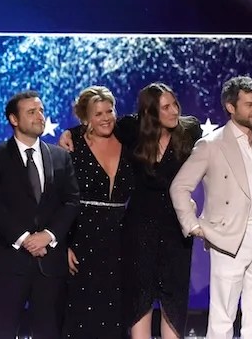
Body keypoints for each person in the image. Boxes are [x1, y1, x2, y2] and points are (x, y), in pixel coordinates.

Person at [61, 82, 201, 339]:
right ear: (150, 112)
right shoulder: (132, 130)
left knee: (174, 303)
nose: (173, 111)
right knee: (138, 300)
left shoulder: (190, 130)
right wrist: (69, 133)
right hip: (138, 231)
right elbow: (96, 124)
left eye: (175, 105)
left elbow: (212, 158)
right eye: (165, 107)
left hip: (175, 233)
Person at [169, 76, 252, 339]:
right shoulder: (211, 144)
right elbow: (179, 187)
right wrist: (194, 225)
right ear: (230, 107)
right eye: (249, 104)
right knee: (223, 315)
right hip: (229, 237)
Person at [0, 90, 80, 339]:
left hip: (50, 266)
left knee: (49, 332)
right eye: (31, 112)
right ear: (14, 119)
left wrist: (48, 235)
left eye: (41, 110)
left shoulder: (60, 157)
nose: (39, 116)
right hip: (6, 264)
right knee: (0, 331)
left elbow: (72, 201)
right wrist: (25, 239)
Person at [64, 86, 134, 339]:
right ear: (86, 118)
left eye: (109, 111)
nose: (106, 118)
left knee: (117, 311)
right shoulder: (72, 145)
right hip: (82, 238)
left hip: (121, 239)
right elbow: (58, 198)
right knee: (82, 313)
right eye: (98, 113)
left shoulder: (129, 140)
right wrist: (63, 244)